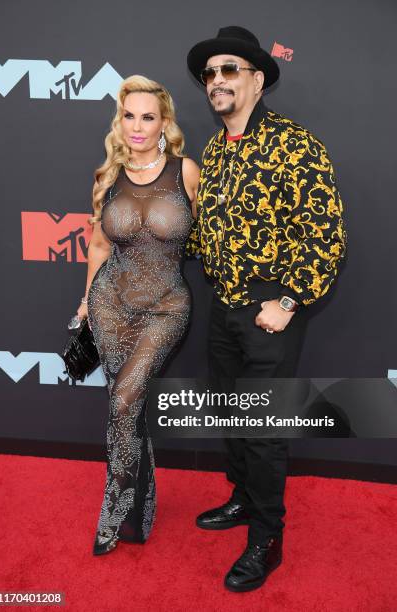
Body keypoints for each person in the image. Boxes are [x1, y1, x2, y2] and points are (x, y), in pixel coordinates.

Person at [186, 26, 346, 592]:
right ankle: (242, 499)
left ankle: (266, 537)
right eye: (210, 73)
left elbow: (324, 235)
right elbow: (206, 233)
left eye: (229, 70)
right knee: (233, 415)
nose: (217, 81)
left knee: (262, 427)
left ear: (256, 79)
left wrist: (286, 300)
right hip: (224, 306)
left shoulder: (295, 144)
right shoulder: (213, 148)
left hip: (269, 310)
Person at [76, 75, 200, 555]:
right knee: (125, 409)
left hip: (166, 308)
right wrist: (87, 299)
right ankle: (139, 509)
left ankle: (116, 507)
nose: (137, 126)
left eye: (148, 117)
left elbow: (212, 234)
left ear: (164, 123)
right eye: (129, 116)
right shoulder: (107, 175)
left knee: (125, 402)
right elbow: (100, 244)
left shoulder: (186, 171)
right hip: (111, 305)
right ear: (119, 121)